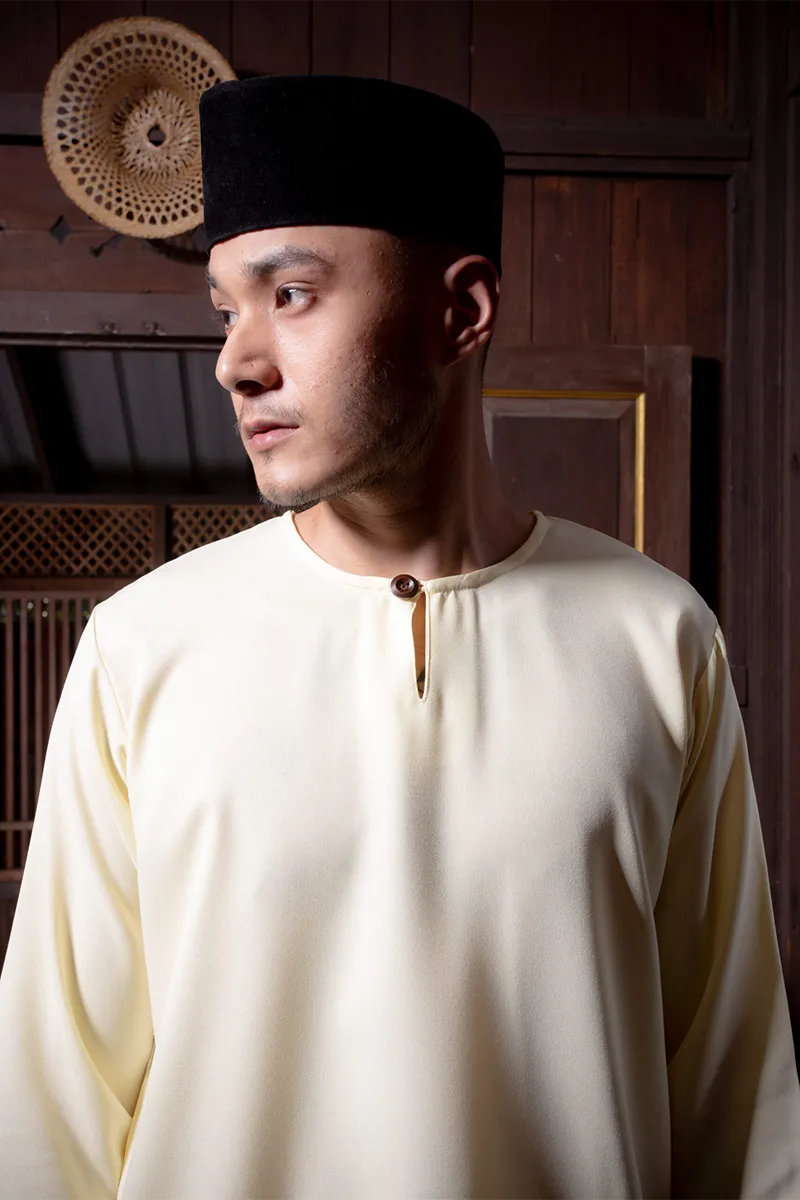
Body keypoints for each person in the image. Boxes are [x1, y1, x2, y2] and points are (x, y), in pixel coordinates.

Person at [0, 75, 798, 1200]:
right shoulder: (143, 647)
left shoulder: (658, 638)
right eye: (227, 309)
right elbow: (48, 1113)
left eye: (291, 294)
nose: (236, 361)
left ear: (460, 311)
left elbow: (735, 1098)